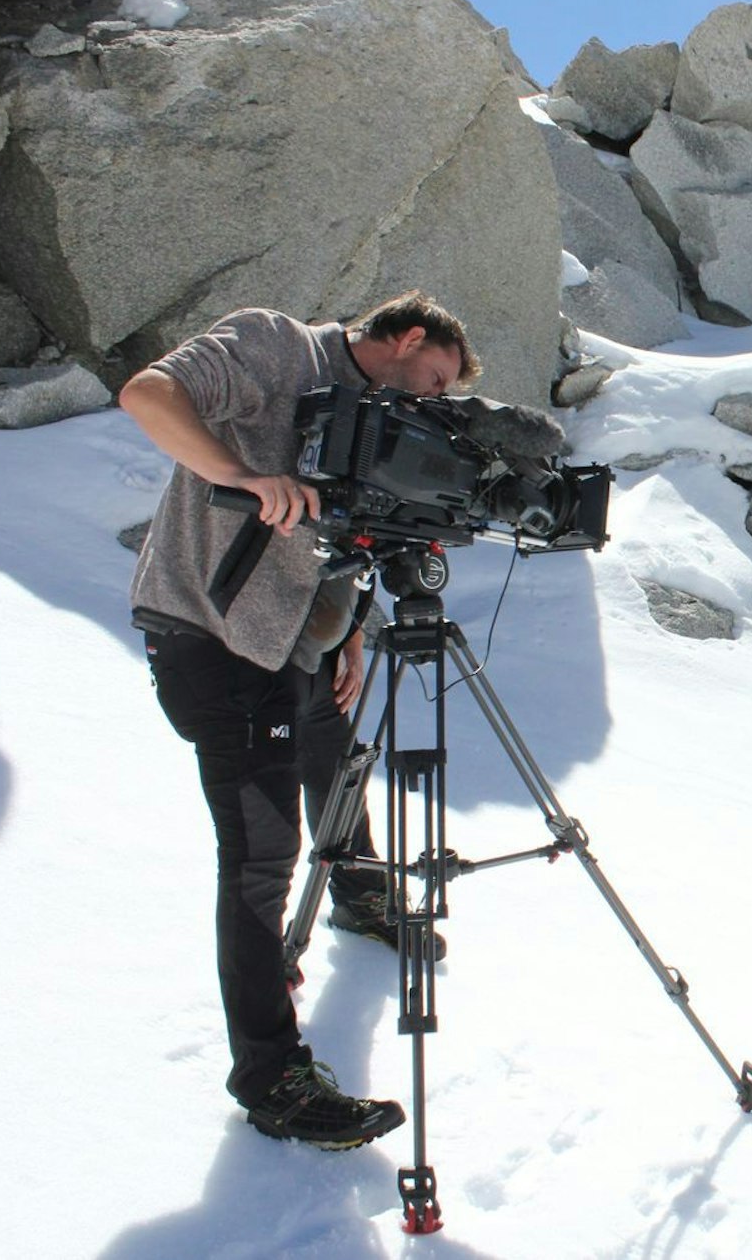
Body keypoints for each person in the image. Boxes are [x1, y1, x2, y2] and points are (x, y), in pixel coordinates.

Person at [122, 292, 480, 1147]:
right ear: (408, 338)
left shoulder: (382, 417)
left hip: (296, 643)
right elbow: (149, 395)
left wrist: (349, 629)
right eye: (431, 379)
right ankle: (270, 1077)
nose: (427, 401)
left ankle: (355, 889)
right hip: (209, 637)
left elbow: (347, 532)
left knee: (335, 740)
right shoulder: (277, 348)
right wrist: (239, 475)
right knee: (260, 854)